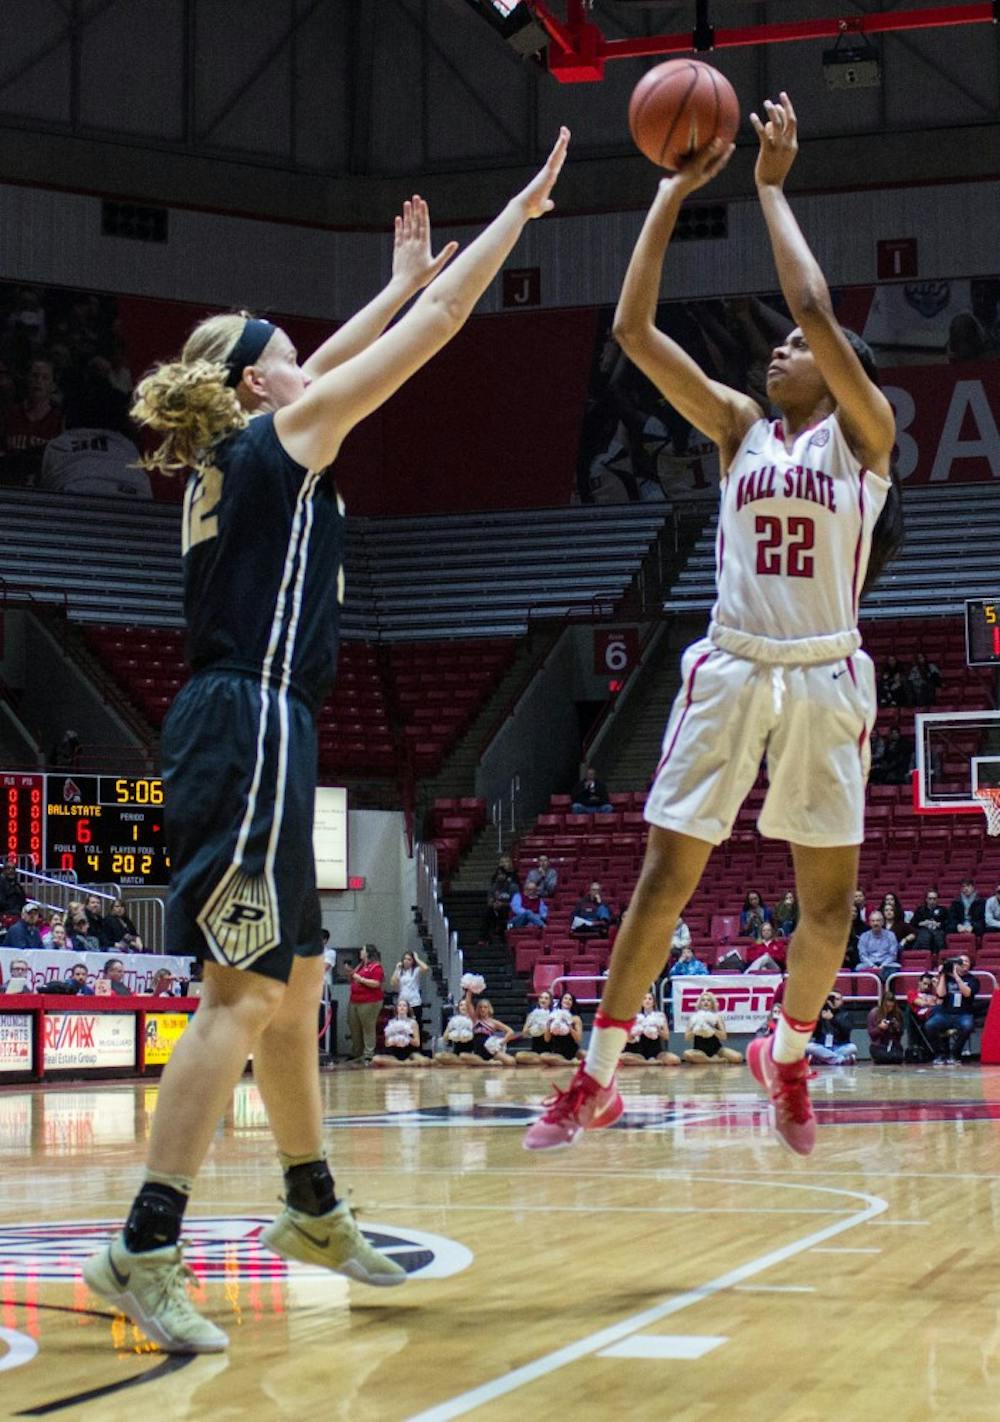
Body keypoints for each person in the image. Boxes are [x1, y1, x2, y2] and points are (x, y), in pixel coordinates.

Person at [523, 93, 901, 1156]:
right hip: (732, 664)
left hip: (827, 677)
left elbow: (820, 311)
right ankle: (594, 1076)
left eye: (792, 348)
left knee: (825, 907)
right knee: (665, 875)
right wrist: (667, 194)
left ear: (833, 376)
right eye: (776, 344)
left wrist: (772, 190)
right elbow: (634, 332)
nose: (777, 350)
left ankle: (785, 1052)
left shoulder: (862, 441)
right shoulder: (739, 429)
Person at [926, 952, 979, 1065]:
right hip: (945, 1013)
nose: (963, 963)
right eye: (961, 961)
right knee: (930, 1025)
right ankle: (940, 1054)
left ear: (970, 965)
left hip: (963, 1014)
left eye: (966, 961)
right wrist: (943, 974)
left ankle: (955, 1054)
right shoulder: (947, 978)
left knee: (967, 1026)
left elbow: (967, 993)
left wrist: (956, 976)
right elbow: (940, 994)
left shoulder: (973, 979)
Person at [620, 990, 680, 1066]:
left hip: (656, 1051)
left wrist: (658, 1030)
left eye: (650, 999)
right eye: (644, 998)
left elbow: (666, 1036)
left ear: (654, 1002)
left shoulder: (660, 1015)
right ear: (641, 1002)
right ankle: (648, 1063)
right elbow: (628, 1039)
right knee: (621, 1057)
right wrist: (636, 1032)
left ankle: (648, 1062)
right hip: (638, 1052)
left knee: (675, 1060)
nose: (647, 1000)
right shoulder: (635, 1016)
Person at [682, 990, 743, 1064]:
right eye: (703, 1000)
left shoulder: (717, 1017)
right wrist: (695, 1031)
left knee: (738, 1057)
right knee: (686, 1054)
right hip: (699, 1051)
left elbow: (724, 1037)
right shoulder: (693, 1017)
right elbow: (686, 1037)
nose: (706, 1002)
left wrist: (712, 1029)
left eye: (709, 1000)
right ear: (700, 1003)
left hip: (717, 1049)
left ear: (712, 1003)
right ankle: (713, 1060)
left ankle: (708, 1060)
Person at [348, 946, 384, 1064]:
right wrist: (350, 973)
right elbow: (353, 980)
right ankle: (356, 1053)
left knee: (368, 1027)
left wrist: (361, 979)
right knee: (354, 1027)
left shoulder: (376, 967)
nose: (360, 952)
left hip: (369, 1002)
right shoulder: (360, 966)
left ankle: (368, 1054)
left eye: (362, 950)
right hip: (354, 1000)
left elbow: (376, 983)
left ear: (368, 953)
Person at [372, 1000, 429, 1069]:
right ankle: (404, 1064)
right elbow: (387, 1043)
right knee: (376, 1059)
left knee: (424, 1061)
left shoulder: (413, 1023)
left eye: (404, 1006)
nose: (402, 1007)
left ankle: (400, 1064)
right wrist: (394, 1042)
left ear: (408, 1009)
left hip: (410, 1052)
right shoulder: (391, 1022)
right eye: (400, 1005)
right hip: (394, 1052)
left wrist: (407, 1038)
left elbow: (417, 1043)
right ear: (396, 1009)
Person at [806, 997, 858, 1066]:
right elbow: (814, 1034)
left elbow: (846, 1032)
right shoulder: (820, 1013)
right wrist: (819, 1021)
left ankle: (822, 1059)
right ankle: (839, 1060)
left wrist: (832, 1019)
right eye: (832, 999)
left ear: (842, 1001)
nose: (834, 1001)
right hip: (822, 1046)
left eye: (838, 999)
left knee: (853, 1047)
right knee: (808, 1047)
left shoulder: (846, 1014)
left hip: (840, 1046)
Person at [390, 949, 429, 1033]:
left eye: (409, 959)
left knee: (415, 1026)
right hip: (402, 1003)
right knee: (402, 1026)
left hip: (414, 1003)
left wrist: (417, 958)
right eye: (405, 959)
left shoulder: (416, 970)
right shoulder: (400, 971)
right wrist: (396, 969)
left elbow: (425, 968)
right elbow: (393, 983)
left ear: (412, 961)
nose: (406, 961)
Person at [856, 911, 901, 980]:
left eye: (878, 921)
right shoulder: (864, 936)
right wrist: (873, 966)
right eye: (873, 921)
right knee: (858, 968)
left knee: (897, 966)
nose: (875, 923)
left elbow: (892, 955)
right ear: (870, 923)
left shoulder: (891, 935)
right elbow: (863, 955)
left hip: (887, 964)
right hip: (869, 963)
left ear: (882, 922)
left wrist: (883, 965)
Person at [471, 998, 516, 1066]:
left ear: (489, 1009)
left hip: (490, 1050)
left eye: (485, 1007)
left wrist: (501, 1043)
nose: (482, 1009)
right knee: (464, 1057)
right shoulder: (475, 1019)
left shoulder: (494, 1022)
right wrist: (469, 991)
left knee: (511, 1061)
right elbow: (468, 1003)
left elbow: (511, 1032)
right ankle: (489, 1063)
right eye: (480, 1007)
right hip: (478, 1052)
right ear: (477, 1009)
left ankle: (490, 1063)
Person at [515, 989, 555, 1064]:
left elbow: (547, 1039)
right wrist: (531, 1029)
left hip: (548, 1051)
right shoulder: (532, 1014)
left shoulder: (553, 1015)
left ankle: (544, 1061)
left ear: (550, 1002)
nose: (543, 1000)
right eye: (541, 997)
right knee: (518, 1056)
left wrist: (545, 1027)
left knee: (544, 1056)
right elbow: (524, 1034)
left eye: (546, 998)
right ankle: (544, 1062)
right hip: (535, 1052)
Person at [543, 992, 584, 1064]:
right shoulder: (552, 1015)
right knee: (544, 1056)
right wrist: (548, 1024)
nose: (567, 1001)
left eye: (570, 999)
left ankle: (567, 1062)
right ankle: (569, 1063)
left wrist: (569, 1025)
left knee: (585, 1054)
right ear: (561, 1000)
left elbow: (578, 1039)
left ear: (572, 1003)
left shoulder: (576, 1018)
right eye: (565, 998)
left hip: (571, 1050)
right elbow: (547, 1039)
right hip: (556, 1052)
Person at [867, 990, 905, 1064]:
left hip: (893, 1044)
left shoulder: (898, 1013)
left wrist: (897, 1027)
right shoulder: (874, 1013)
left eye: (892, 1007)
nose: (890, 1009)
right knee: (884, 1058)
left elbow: (901, 1032)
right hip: (878, 1045)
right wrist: (880, 1028)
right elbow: (871, 1033)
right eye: (888, 1007)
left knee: (897, 1057)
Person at [911, 889, 947, 957]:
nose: (932, 901)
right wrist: (922, 923)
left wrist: (939, 924)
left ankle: (940, 957)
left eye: (934, 899)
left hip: (938, 931)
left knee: (938, 936)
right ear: (926, 899)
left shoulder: (943, 910)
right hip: (923, 932)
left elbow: (947, 923)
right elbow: (913, 923)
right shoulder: (920, 910)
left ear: (937, 900)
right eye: (930, 899)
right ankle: (925, 956)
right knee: (925, 935)